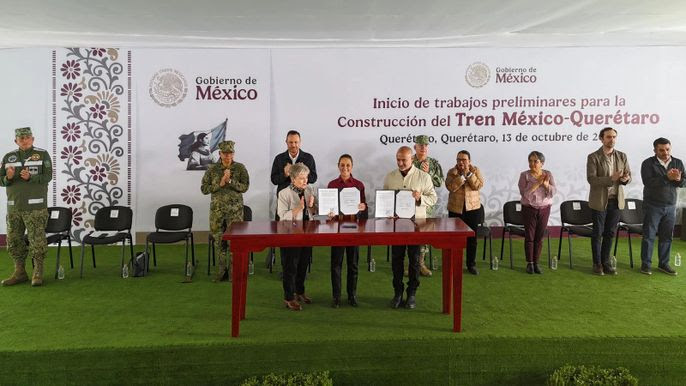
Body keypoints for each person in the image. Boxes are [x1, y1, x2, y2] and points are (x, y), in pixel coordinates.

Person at [383, 146, 437, 309]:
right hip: (396, 226)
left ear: (412, 159)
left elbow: (433, 198)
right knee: (396, 260)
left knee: (414, 261)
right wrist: (387, 212)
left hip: (416, 226)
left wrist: (420, 198)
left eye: (403, 160)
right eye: (398, 159)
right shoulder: (390, 177)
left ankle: (411, 294)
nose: (400, 162)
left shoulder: (424, 176)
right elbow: (385, 200)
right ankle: (398, 293)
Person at [0, 127, 52, 286]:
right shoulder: (9, 157)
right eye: (21, 138)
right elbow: (1, 180)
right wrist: (7, 178)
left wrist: (31, 177)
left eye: (27, 137)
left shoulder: (42, 154)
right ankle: (20, 272)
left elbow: (48, 177)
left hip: (35, 207)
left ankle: (37, 272)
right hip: (14, 207)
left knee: (37, 240)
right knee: (14, 240)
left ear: (33, 139)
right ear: (16, 141)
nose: (24, 140)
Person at [200, 140, 250, 282]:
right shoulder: (212, 169)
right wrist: (220, 183)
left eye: (230, 153)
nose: (228, 156)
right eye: (225, 153)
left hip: (235, 213)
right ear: (220, 153)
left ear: (233, 154)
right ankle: (221, 272)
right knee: (219, 242)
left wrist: (230, 182)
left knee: (234, 243)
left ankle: (235, 273)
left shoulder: (240, 168)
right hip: (217, 213)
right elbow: (204, 189)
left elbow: (245, 187)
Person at [269, 130, 317, 270]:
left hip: (304, 200)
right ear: (286, 142)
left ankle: (303, 270)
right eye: (291, 142)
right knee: (285, 239)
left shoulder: (308, 157)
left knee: (304, 239)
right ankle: (286, 269)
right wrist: (286, 173)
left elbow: (313, 178)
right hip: (285, 200)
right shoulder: (279, 158)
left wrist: (301, 174)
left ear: (300, 142)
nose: (293, 145)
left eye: (296, 142)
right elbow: (274, 179)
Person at [586, 127, 631, 275]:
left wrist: (625, 179)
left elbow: (628, 175)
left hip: (616, 200)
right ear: (601, 138)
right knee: (597, 233)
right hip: (599, 201)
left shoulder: (622, 156)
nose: (612, 140)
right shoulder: (593, 157)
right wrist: (610, 179)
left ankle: (606, 262)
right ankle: (597, 264)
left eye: (614, 137)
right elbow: (591, 179)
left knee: (610, 233)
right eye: (608, 137)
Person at [639, 137, 685, 276]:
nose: (665, 153)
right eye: (661, 150)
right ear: (655, 150)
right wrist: (667, 178)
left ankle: (663, 264)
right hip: (652, 205)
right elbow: (648, 182)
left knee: (667, 237)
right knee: (649, 236)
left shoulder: (677, 162)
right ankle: (646, 265)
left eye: (667, 149)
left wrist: (678, 180)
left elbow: (684, 182)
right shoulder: (648, 163)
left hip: (670, 205)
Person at [327, 154, 368, 308]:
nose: (345, 168)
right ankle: (336, 297)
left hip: (353, 229)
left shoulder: (358, 185)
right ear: (338, 166)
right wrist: (328, 213)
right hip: (337, 229)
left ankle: (352, 295)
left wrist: (363, 208)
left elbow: (364, 210)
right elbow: (328, 209)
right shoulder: (332, 185)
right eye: (342, 165)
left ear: (352, 167)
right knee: (336, 264)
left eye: (348, 165)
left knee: (353, 264)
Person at [277, 162, 318, 311]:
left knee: (303, 265)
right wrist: (298, 208)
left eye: (306, 177)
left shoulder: (309, 190)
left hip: (307, 234)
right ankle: (289, 298)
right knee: (290, 267)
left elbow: (314, 213)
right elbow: (282, 217)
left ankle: (299, 292)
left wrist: (313, 206)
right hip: (290, 235)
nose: (305, 181)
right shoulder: (283, 193)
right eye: (301, 178)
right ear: (293, 179)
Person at [445, 150, 484, 275]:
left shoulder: (476, 171)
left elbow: (478, 186)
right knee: (455, 239)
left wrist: (468, 174)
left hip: (472, 209)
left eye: (464, 159)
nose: (461, 162)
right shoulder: (452, 172)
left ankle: (471, 264)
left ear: (469, 161)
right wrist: (461, 177)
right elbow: (451, 187)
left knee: (472, 239)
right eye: (459, 160)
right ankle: (455, 263)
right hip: (456, 209)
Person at [518, 151, 556, 274]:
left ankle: (537, 263)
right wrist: (538, 183)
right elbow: (525, 193)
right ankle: (530, 263)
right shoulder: (524, 175)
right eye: (530, 160)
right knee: (530, 236)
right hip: (529, 208)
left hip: (545, 208)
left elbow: (553, 191)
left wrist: (545, 185)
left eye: (535, 161)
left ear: (542, 163)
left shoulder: (548, 174)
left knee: (539, 237)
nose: (532, 163)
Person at [412, 135, 444, 277]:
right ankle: (411, 264)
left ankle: (421, 264)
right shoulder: (408, 161)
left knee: (424, 235)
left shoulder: (433, 163)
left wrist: (428, 173)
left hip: (426, 205)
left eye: (426, 145)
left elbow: (439, 183)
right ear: (415, 147)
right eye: (420, 145)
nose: (423, 148)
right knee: (410, 234)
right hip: (410, 205)